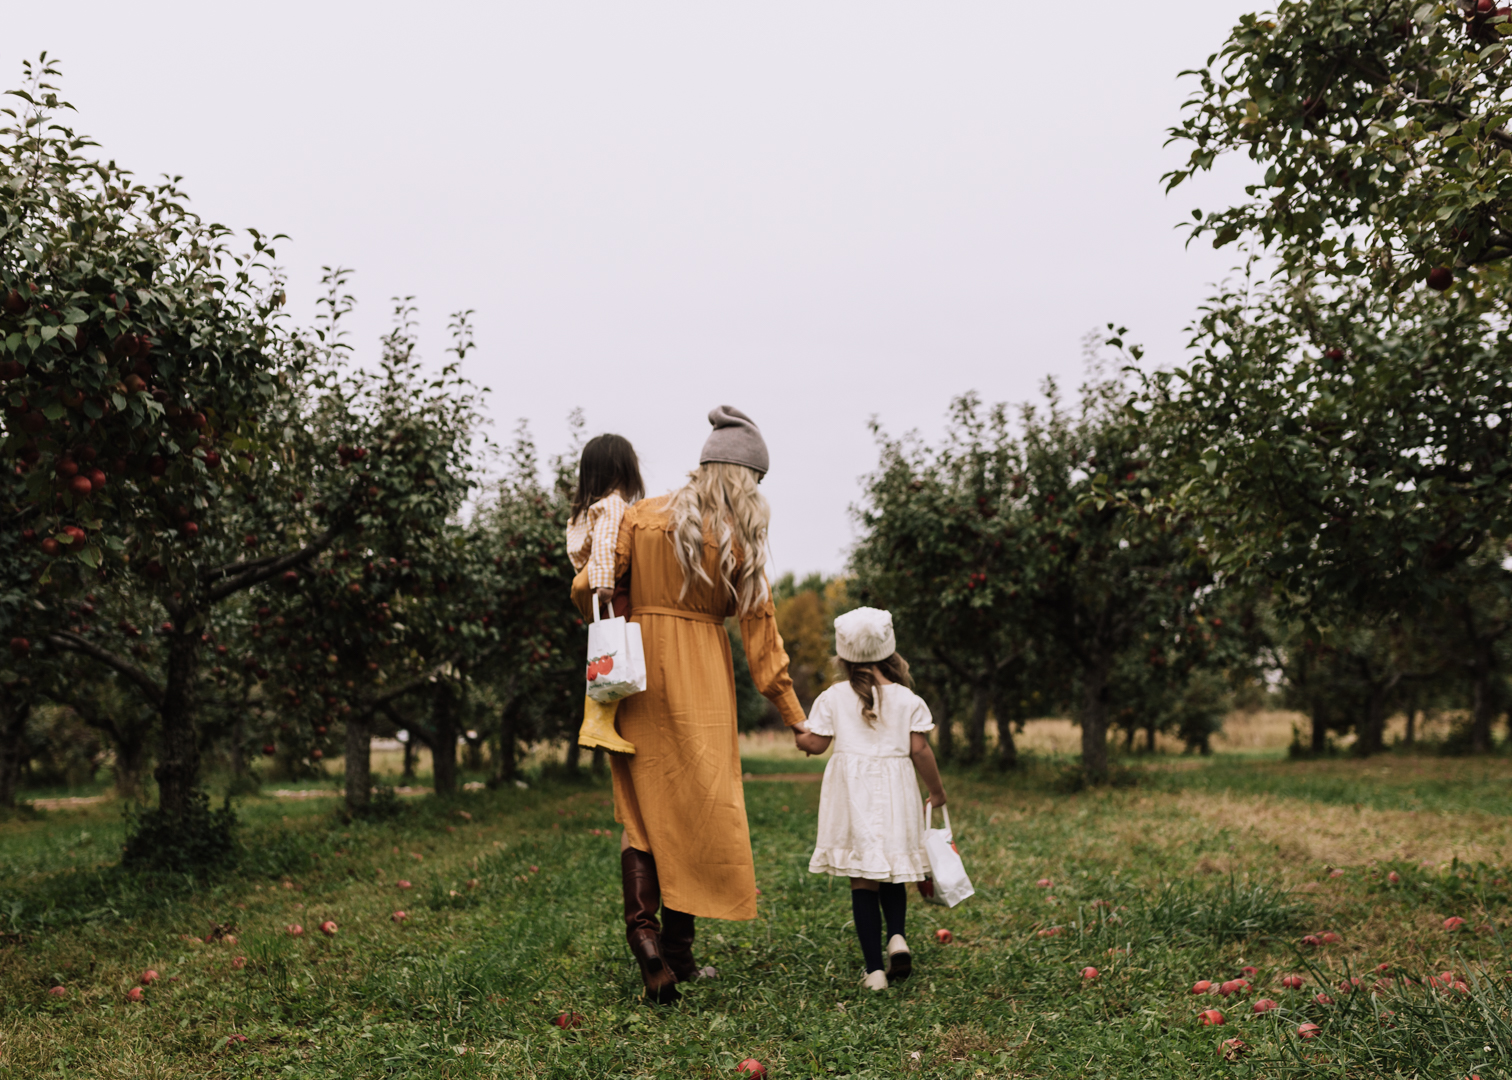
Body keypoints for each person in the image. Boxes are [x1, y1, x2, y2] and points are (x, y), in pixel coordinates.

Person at [570, 405, 804, 1004]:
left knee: (642, 812)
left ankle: (649, 944)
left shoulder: (641, 516)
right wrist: (792, 712)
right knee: (697, 808)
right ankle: (678, 953)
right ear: (744, 481)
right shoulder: (738, 540)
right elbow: (761, 634)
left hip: (636, 674)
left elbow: (588, 590)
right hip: (702, 676)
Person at [792, 606, 947, 991]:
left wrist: (797, 732)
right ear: (891, 653)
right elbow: (921, 751)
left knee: (863, 879)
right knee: (891, 867)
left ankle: (874, 972)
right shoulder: (907, 698)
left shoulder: (832, 697)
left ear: (842, 657)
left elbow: (815, 742)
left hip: (852, 797)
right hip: (896, 792)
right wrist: (937, 790)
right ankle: (897, 936)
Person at [566, 433, 646, 756]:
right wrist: (606, 583)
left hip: (600, 593)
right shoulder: (613, 505)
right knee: (618, 652)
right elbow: (603, 546)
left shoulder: (585, 511)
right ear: (622, 471)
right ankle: (598, 724)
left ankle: (599, 723)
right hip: (613, 589)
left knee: (604, 655)